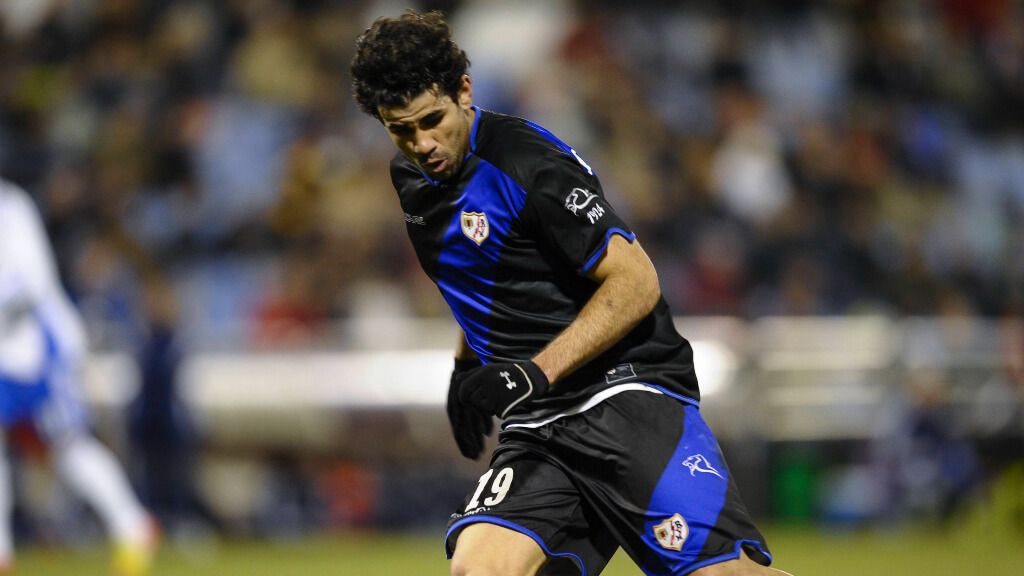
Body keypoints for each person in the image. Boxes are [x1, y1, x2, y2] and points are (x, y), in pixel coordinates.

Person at [350, 11, 790, 576]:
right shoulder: (413, 179)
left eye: (432, 120)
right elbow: (488, 274)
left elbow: (636, 280)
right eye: (400, 129)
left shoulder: (529, 165)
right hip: (540, 422)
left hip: (625, 395)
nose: (423, 143)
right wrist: (466, 366)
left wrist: (534, 370)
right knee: (478, 571)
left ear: (464, 91)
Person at [0, 179, 157, 575]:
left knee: (66, 441)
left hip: (34, 345)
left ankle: (132, 525)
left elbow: (30, 284)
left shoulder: (9, 205)